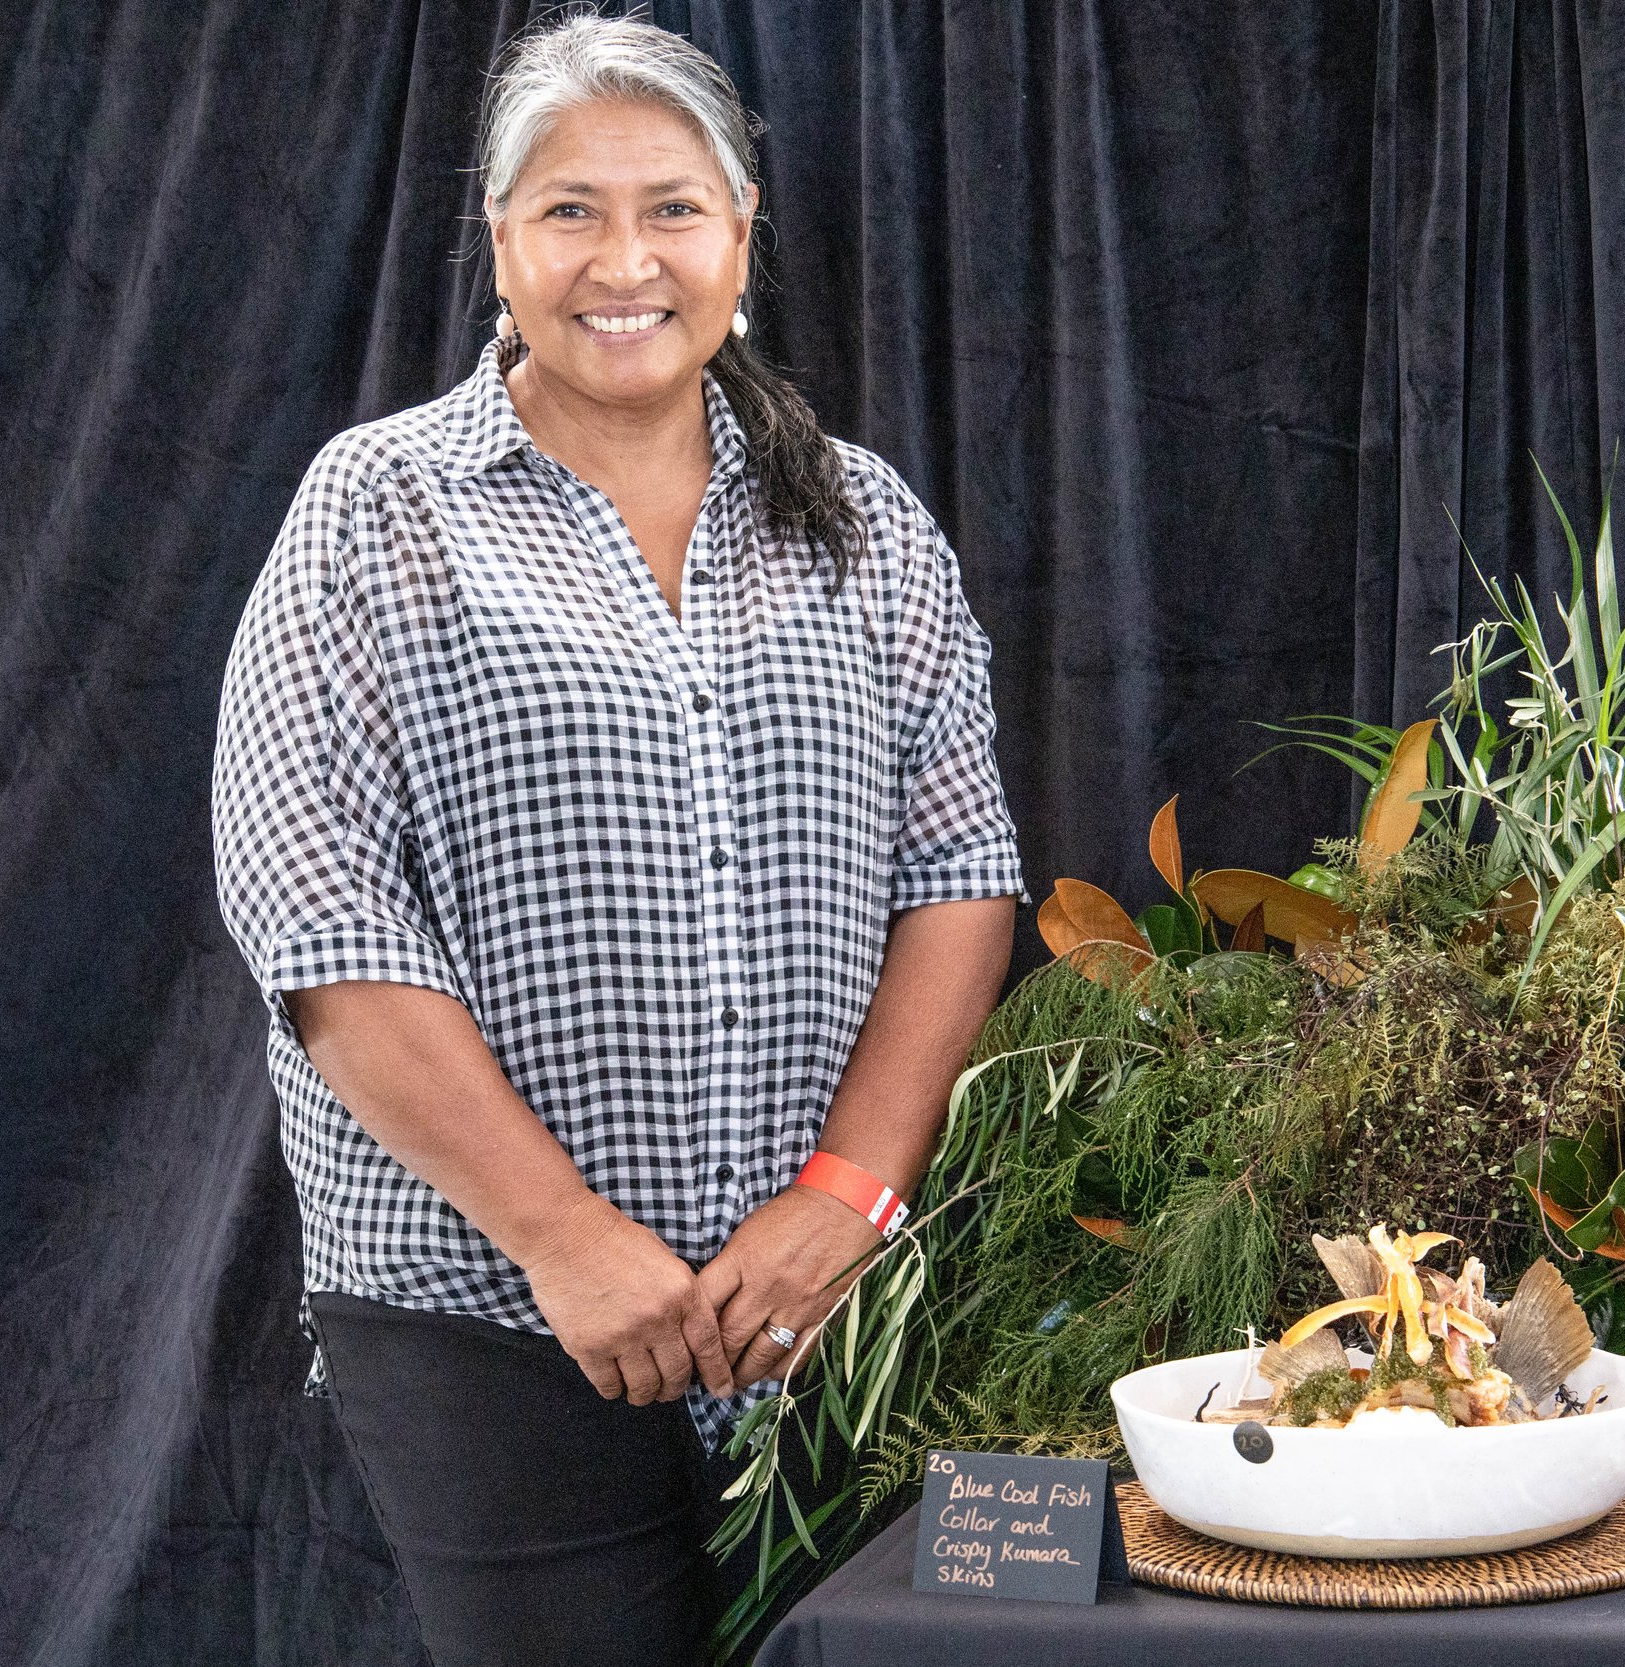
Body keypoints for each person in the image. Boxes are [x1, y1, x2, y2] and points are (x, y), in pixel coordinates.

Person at [209, 15, 1023, 1665]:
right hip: (492, 1319)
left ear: (742, 238)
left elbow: (958, 876)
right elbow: (316, 912)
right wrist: (570, 1246)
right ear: (499, 244)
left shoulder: (863, 523)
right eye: (569, 211)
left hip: (829, 1314)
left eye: (672, 208)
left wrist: (847, 1201)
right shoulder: (379, 511)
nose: (623, 259)